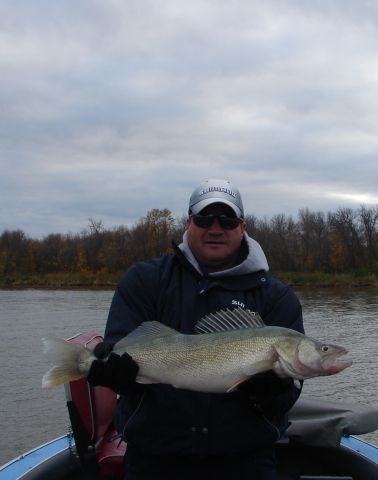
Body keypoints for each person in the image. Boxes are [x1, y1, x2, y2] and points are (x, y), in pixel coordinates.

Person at [88, 178, 304, 480]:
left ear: (242, 227)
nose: (216, 228)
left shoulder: (277, 297)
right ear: (188, 222)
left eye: (227, 219)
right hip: (154, 460)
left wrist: (273, 390)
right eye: (204, 217)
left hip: (245, 463)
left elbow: (284, 401)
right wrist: (114, 373)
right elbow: (122, 358)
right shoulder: (145, 281)